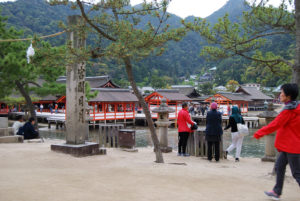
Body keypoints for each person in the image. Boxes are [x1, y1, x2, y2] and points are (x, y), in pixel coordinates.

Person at [253, 83, 300, 200]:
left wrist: (259, 133)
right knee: (279, 166)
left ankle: (277, 191)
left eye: (282, 93)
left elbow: (275, 124)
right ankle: (276, 191)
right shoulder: (296, 108)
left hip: (292, 147)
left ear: (288, 96)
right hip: (288, 146)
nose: (280, 95)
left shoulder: (288, 111)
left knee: (297, 173)